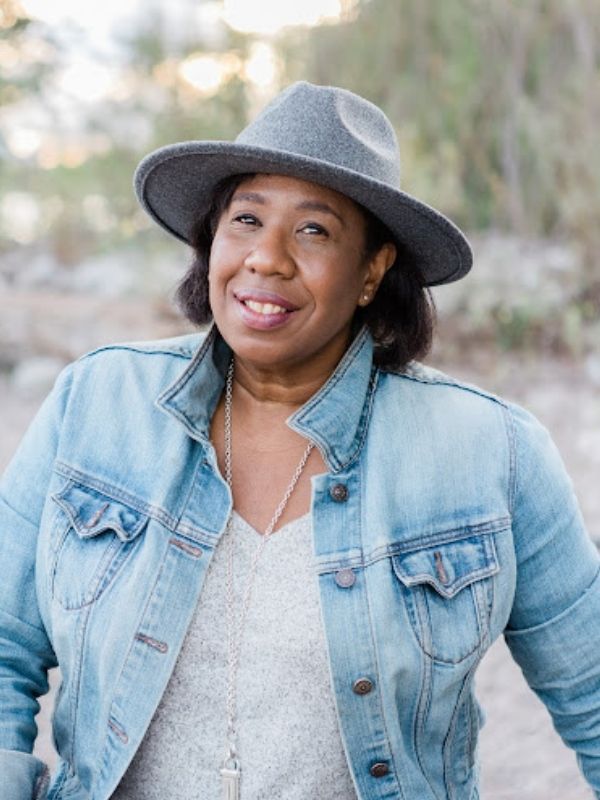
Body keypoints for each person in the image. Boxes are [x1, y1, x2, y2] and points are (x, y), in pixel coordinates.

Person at [1, 80, 599, 800]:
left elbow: (591, 691)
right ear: (212, 240)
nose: (268, 258)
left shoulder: (490, 451)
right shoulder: (95, 405)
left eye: (313, 230)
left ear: (373, 271)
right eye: (246, 219)